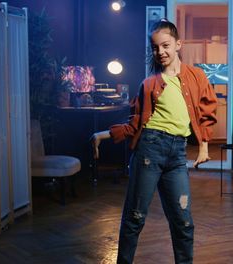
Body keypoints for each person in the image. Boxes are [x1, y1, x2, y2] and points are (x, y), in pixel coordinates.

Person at [91, 19, 217, 264]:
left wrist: (203, 145)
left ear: (178, 44)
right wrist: (103, 134)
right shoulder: (148, 84)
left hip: (177, 155)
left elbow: (206, 114)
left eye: (166, 45)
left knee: (184, 221)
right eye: (155, 47)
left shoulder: (196, 76)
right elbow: (136, 124)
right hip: (149, 150)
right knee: (135, 217)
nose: (161, 52)